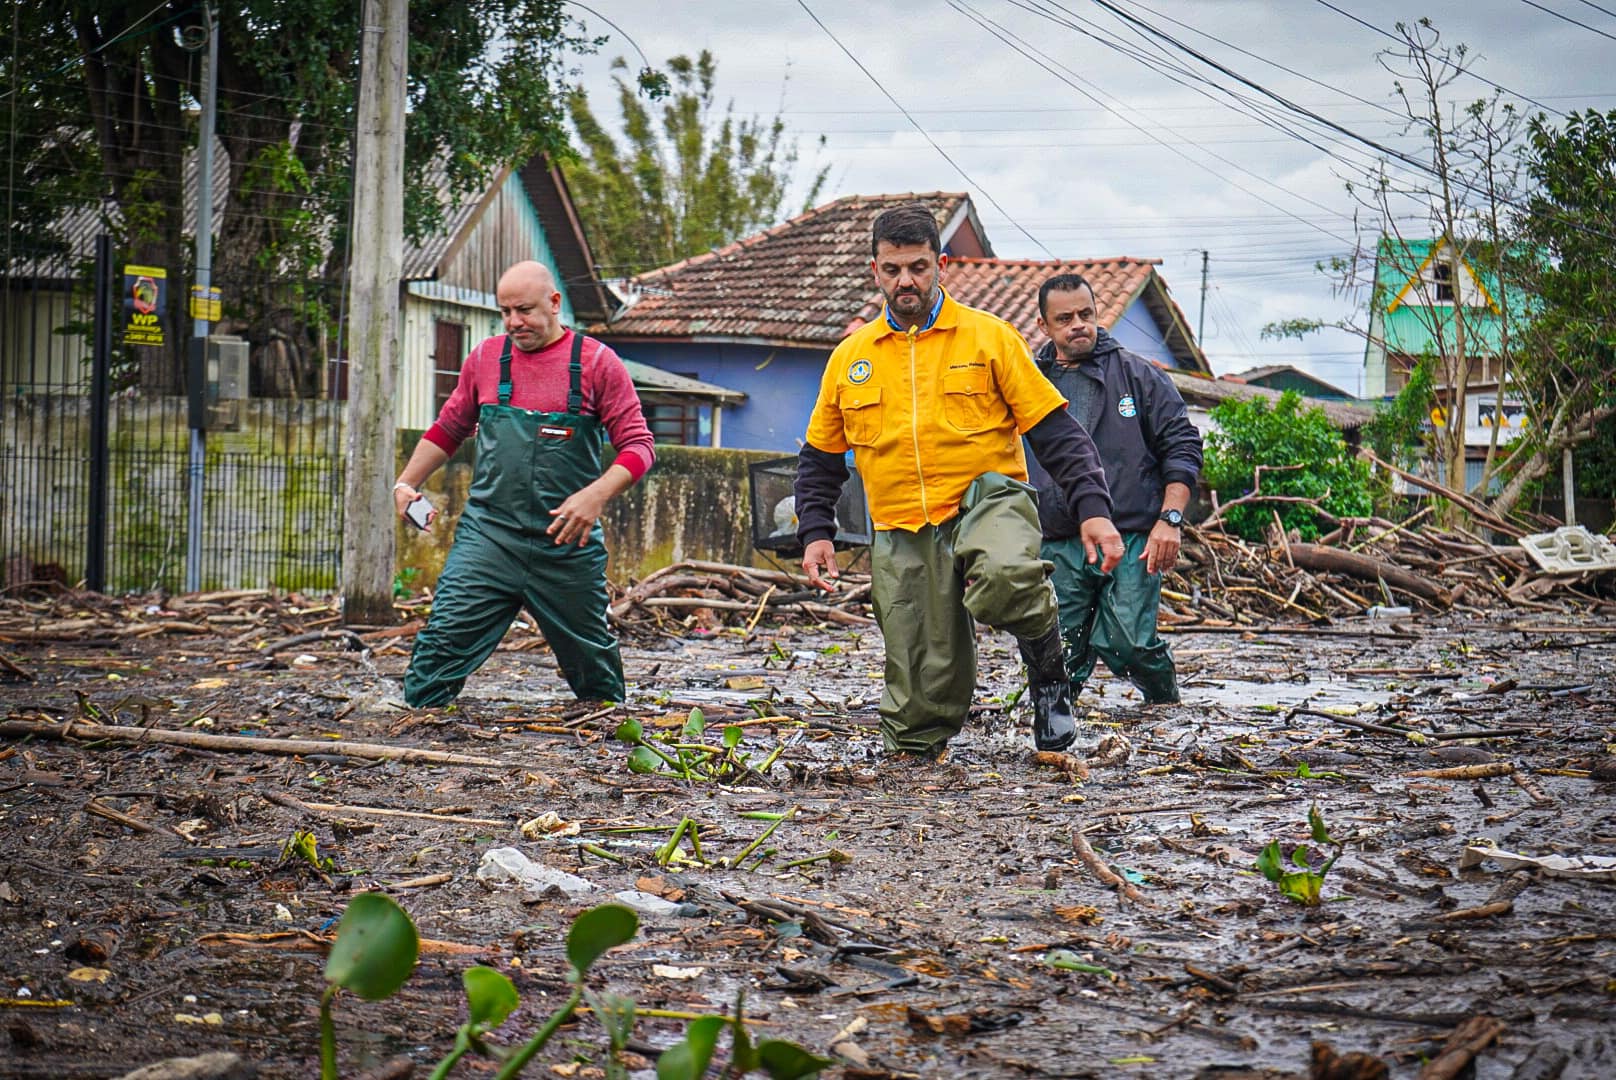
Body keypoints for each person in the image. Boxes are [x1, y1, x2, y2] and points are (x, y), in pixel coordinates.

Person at [794, 205, 1124, 759]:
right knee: (921, 685)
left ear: (940, 264)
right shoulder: (850, 358)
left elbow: (1056, 433)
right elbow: (821, 458)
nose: (906, 281)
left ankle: (1049, 675)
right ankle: (918, 762)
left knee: (1005, 576)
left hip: (987, 501)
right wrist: (815, 531)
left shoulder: (989, 338)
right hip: (901, 524)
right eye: (893, 268)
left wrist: (1094, 509)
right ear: (874, 270)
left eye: (919, 267)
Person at [395, 260, 655, 707]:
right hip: (490, 536)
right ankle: (414, 720)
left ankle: (608, 729)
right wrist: (405, 483)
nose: (514, 322)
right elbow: (448, 429)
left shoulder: (596, 363)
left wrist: (595, 495)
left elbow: (639, 447)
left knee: (595, 673)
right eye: (505, 311)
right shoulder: (485, 360)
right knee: (442, 641)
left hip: (565, 543)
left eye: (525, 310)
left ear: (555, 304)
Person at [1025, 273, 1203, 744]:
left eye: (1086, 314)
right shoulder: (1028, 381)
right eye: (1065, 319)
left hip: (1133, 534)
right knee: (1059, 649)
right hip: (1059, 538)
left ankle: (1165, 703)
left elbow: (1183, 447)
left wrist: (1170, 520)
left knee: (1127, 640)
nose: (1078, 325)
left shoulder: (1139, 375)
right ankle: (1056, 735)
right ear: (1044, 325)